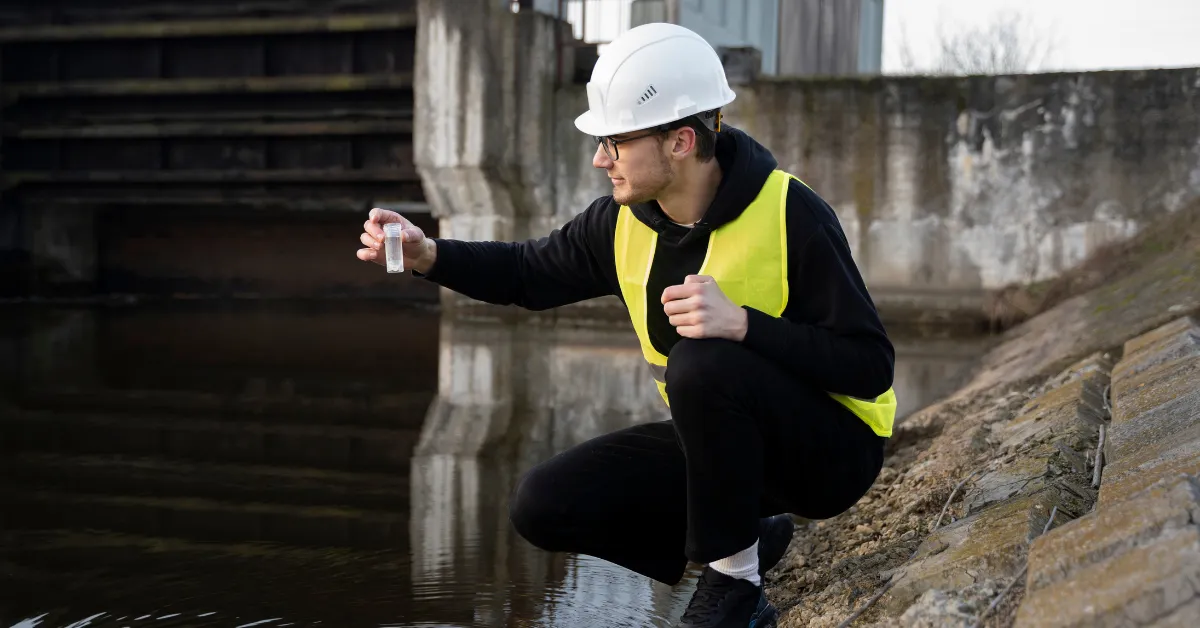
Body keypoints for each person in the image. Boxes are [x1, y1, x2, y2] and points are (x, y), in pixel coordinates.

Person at [356, 22, 896, 628]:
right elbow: (526, 273)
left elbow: (871, 367)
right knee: (543, 505)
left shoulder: (791, 212)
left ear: (681, 142)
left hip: (833, 454)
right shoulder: (621, 222)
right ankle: (747, 538)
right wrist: (429, 253)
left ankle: (736, 587)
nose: (599, 158)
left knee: (701, 356)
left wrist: (745, 325)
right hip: (727, 452)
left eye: (614, 141)